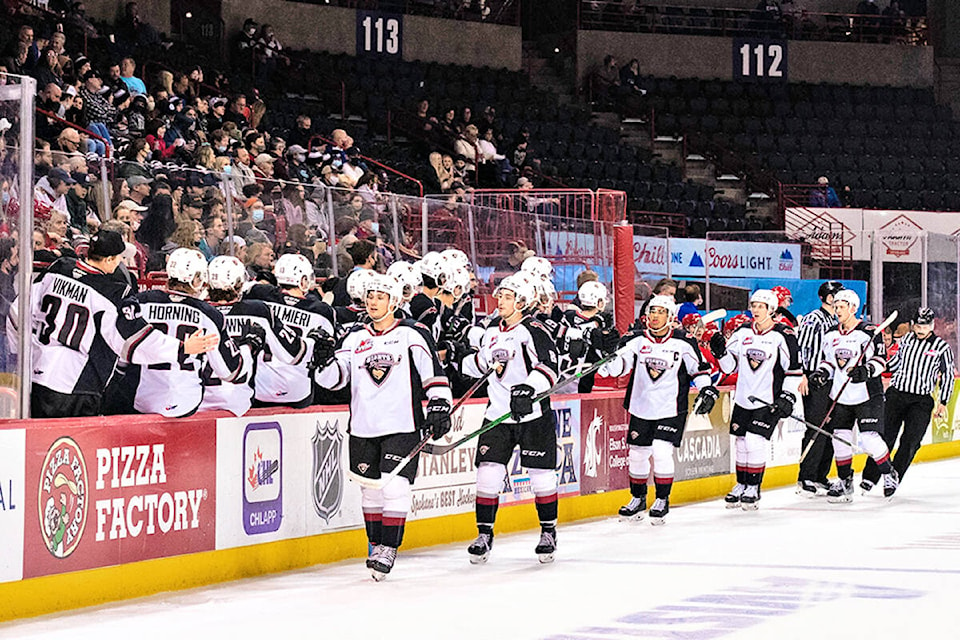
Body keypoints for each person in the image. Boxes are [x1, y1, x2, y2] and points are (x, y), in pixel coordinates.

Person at [313, 273, 452, 581]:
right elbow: (336, 380)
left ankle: (389, 547)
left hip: (402, 424)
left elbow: (433, 373)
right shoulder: (354, 337)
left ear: (394, 301)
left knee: (395, 487)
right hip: (363, 426)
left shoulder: (413, 333)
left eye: (380, 296)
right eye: (370, 296)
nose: (373, 302)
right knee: (370, 492)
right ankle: (375, 545)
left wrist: (440, 404)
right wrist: (322, 362)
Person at [12, 231, 217, 418]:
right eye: (119, 258)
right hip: (77, 387)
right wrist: (181, 348)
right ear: (109, 259)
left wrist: (17, 355)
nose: (120, 262)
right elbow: (134, 339)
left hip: (36, 375)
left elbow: (17, 311)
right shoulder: (113, 292)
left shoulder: (59, 267)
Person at [451, 273, 561, 564]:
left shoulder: (533, 329)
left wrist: (530, 387)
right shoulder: (491, 332)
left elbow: (550, 366)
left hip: (532, 415)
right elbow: (480, 365)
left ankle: (548, 531)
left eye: (508, 296)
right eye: (500, 295)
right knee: (487, 474)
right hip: (497, 415)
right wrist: (456, 359)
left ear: (522, 301)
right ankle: (484, 534)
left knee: (541, 476)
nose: (500, 300)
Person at [600, 295, 717, 524]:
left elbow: (698, 370)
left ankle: (662, 499)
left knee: (662, 451)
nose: (654, 316)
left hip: (671, 408)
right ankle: (638, 498)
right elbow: (616, 368)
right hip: (641, 406)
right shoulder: (635, 339)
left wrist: (707, 390)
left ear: (670, 316)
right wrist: (607, 353)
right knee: (637, 454)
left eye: (660, 312)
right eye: (652, 311)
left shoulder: (684, 341)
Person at [117, 248, 244, 418]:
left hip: (140, 398)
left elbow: (121, 356)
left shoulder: (141, 302)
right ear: (197, 278)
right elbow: (229, 372)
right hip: (185, 401)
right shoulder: (209, 315)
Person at [709, 289, 801, 510]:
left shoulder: (783, 335)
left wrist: (787, 397)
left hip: (767, 401)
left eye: (761, 306)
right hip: (743, 399)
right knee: (741, 442)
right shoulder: (742, 332)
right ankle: (741, 484)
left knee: (754, 441)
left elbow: (794, 370)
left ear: (771, 310)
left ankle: (753, 487)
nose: (756, 310)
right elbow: (730, 366)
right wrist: (720, 353)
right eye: (754, 305)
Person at [807, 289, 899, 502]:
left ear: (853, 309)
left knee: (869, 439)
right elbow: (828, 361)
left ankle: (888, 473)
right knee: (840, 438)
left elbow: (880, 360)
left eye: (841, 306)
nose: (837, 310)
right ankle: (845, 480)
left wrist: (866, 371)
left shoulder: (869, 331)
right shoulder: (830, 333)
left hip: (868, 395)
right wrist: (821, 373)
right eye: (836, 306)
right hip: (840, 395)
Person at [860, 307, 955, 491]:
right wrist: (882, 353)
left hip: (921, 401)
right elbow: (894, 364)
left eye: (925, 326)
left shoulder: (941, 347)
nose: (920, 329)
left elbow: (948, 374)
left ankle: (894, 476)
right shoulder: (905, 341)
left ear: (932, 325)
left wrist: (943, 402)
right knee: (883, 437)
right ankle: (870, 477)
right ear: (913, 324)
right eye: (918, 325)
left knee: (911, 441)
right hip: (896, 395)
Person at [201, 256, 307, 416]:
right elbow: (292, 354)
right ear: (239, 284)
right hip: (240, 405)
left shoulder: (199, 313)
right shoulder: (259, 311)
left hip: (200, 402)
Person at [243, 253, 336, 408]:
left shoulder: (258, 297)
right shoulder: (321, 311)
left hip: (260, 389)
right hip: (298, 392)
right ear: (303, 280)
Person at [796, 281, 843, 497]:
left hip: (832, 380)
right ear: (828, 297)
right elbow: (801, 346)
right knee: (816, 427)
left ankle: (820, 475)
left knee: (830, 429)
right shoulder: (814, 318)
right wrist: (804, 374)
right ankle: (806, 475)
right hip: (815, 380)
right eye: (837, 295)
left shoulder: (835, 320)